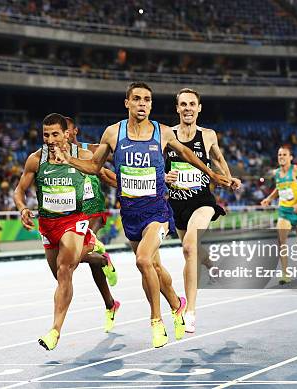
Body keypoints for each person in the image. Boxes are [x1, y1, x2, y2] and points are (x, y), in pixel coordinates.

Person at [53, 82, 231, 347]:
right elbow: (94, 166)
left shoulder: (161, 132)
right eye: (136, 99)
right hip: (131, 214)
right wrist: (70, 160)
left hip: (158, 212)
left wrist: (213, 174)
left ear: (151, 104)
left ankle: (156, 322)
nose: (142, 103)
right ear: (127, 102)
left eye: (147, 99)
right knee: (154, 267)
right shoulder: (113, 133)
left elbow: (188, 155)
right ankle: (177, 305)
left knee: (143, 260)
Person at [14, 113, 112, 351]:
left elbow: (106, 174)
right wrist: (23, 208)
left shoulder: (84, 156)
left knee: (65, 269)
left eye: (55, 134)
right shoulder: (35, 160)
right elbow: (19, 190)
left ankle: (55, 330)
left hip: (74, 221)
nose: (50, 139)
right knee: (59, 277)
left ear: (67, 133)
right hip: (48, 225)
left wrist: (138, 193)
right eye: (46, 134)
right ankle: (94, 252)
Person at [164, 88, 241, 333]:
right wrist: (165, 176)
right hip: (177, 203)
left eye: (192, 104)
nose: (187, 108)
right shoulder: (167, 134)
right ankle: (212, 265)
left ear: (199, 108)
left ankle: (191, 311)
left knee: (189, 247)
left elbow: (218, 159)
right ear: (177, 108)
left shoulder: (207, 135)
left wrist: (228, 179)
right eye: (183, 104)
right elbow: (156, 165)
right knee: (193, 249)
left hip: (202, 201)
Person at [64, 116, 121, 330]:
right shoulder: (57, 156)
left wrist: (125, 189)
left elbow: (106, 169)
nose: (64, 136)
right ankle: (110, 304)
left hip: (94, 208)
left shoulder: (91, 149)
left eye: (67, 131)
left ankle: (102, 257)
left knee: (77, 256)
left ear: (75, 131)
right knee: (91, 262)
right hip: (74, 214)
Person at [261, 145, 297, 285]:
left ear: (290, 157)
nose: (281, 157)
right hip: (284, 211)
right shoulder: (277, 173)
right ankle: (285, 274)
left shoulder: (296, 170)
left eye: (284, 154)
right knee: (281, 243)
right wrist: (269, 199)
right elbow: (279, 189)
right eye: (279, 155)